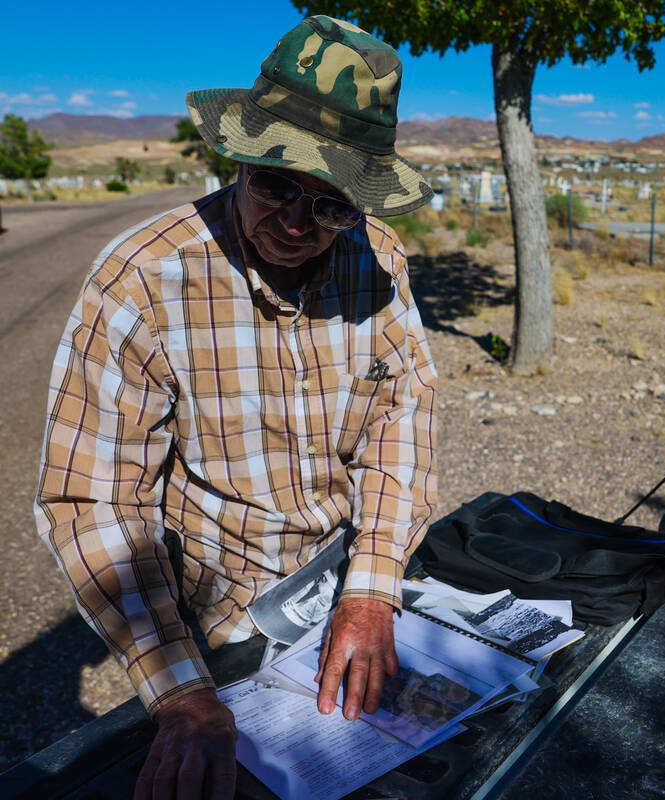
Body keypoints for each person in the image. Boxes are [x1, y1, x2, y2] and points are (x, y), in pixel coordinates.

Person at [34, 16, 437, 799]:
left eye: (330, 205)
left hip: (345, 586)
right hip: (216, 628)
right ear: (238, 157)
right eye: (277, 185)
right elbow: (94, 503)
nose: (295, 222)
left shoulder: (378, 259)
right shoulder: (144, 282)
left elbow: (404, 418)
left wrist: (373, 584)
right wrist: (183, 693)